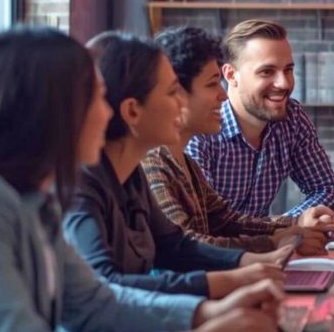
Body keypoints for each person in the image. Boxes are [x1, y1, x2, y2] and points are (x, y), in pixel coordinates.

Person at [0, 28, 283, 332]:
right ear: (53, 110)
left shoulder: (31, 199)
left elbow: (97, 306)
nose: (107, 111)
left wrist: (207, 313)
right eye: (97, 98)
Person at [64, 32, 292, 299]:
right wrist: (227, 283)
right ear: (132, 112)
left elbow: (173, 245)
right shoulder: (81, 186)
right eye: (173, 92)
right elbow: (105, 286)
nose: (181, 103)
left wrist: (249, 262)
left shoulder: (131, 173)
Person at [143, 27, 331, 256]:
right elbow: (186, 248)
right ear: (176, 93)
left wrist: (294, 227)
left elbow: (227, 222)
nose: (223, 95)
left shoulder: (182, 163)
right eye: (213, 84)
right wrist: (276, 242)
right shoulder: (152, 163)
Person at [187, 20, 334, 220]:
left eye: (288, 70)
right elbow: (204, 224)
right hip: (223, 251)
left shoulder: (292, 119)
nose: (284, 83)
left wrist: (291, 224)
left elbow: (329, 191)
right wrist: (287, 226)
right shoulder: (201, 130)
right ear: (230, 75)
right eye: (267, 72)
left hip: (264, 248)